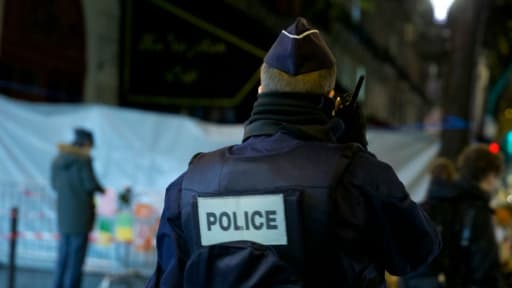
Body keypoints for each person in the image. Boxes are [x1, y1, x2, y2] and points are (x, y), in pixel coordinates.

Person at [146, 17, 440, 287]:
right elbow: (417, 252)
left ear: (261, 92)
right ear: (330, 99)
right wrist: (358, 151)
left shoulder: (191, 184)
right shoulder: (358, 177)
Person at [401, 145, 505, 288]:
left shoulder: (434, 200)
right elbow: (484, 267)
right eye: (495, 177)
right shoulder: (476, 208)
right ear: (489, 176)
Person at [50, 128, 105, 288]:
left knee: (63, 257)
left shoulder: (58, 160)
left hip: (63, 216)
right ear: (86, 143)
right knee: (76, 260)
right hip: (81, 217)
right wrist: (101, 190)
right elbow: (89, 184)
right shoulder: (83, 160)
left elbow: (54, 185)